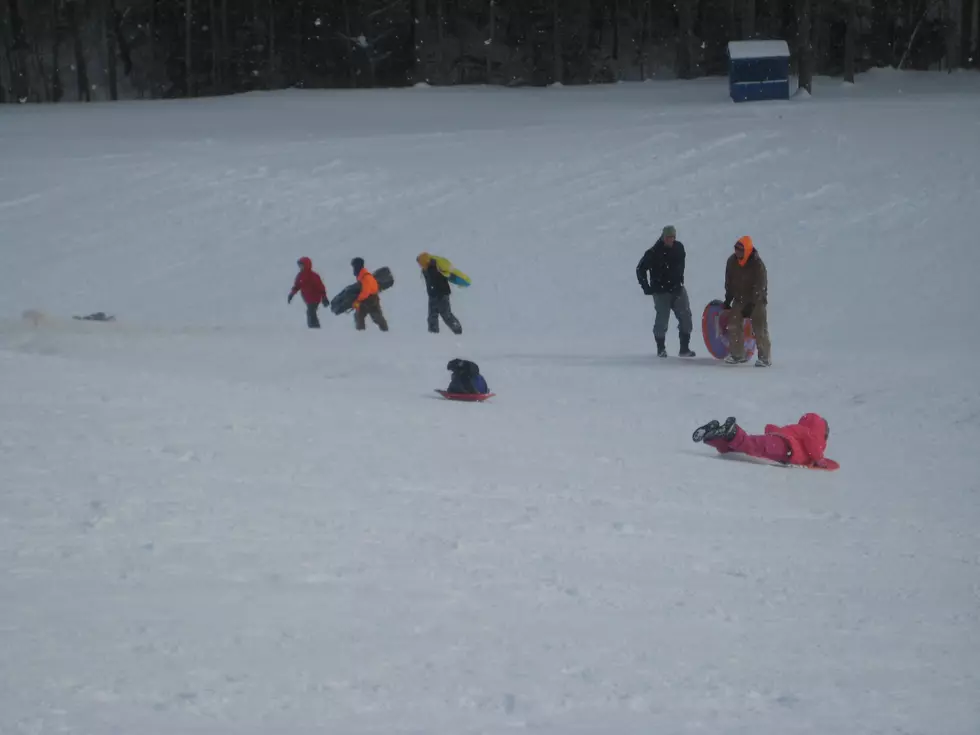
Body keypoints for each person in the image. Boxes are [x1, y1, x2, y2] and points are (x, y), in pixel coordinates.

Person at [636, 225, 695, 358]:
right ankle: (661, 348)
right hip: (661, 292)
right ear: (663, 237)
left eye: (673, 237)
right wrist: (647, 288)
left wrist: (679, 280)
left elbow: (681, 265)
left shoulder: (679, 248)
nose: (671, 240)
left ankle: (684, 349)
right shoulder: (653, 252)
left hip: (678, 289)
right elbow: (640, 269)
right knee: (662, 320)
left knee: (686, 317)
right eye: (668, 237)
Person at [692, 413, 833, 468]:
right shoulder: (809, 434)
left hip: (776, 441)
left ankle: (714, 436)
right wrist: (820, 460)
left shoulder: (796, 429)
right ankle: (732, 432)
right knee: (750, 446)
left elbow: (773, 429)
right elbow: (812, 445)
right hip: (784, 448)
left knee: (738, 450)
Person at [723, 236, 770, 366]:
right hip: (740, 298)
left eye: (740, 249)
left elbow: (761, 285)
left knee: (759, 326)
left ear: (747, 250)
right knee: (733, 322)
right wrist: (728, 299)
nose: (737, 251)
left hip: (757, 300)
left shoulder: (757, 264)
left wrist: (753, 302)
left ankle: (764, 357)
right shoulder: (731, 262)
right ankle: (738, 354)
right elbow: (729, 282)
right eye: (736, 249)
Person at [417, 252, 462, 335]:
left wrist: (440, 294)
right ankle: (433, 334)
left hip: (441, 294)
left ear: (425, 261)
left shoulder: (435, 268)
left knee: (446, 315)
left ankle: (458, 331)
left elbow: (441, 280)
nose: (420, 265)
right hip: (432, 295)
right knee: (432, 316)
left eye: (420, 263)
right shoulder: (425, 269)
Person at [287, 256, 329, 328]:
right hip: (307, 298)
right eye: (299, 266)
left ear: (306, 265)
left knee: (310, 312)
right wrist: (291, 294)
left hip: (315, 298)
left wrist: (324, 297)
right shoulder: (300, 276)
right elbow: (297, 286)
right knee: (310, 312)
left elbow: (321, 287)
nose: (300, 267)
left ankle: (314, 328)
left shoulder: (314, 276)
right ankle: (314, 327)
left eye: (302, 265)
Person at [350, 257, 389, 332]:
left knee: (374, 317)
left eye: (354, 266)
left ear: (358, 266)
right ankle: (362, 334)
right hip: (369, 299)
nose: (353, 269)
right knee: (361, 316)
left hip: (370, 300)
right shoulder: (362, 276)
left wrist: (357, 301)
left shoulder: (365, 277)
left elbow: (365, 292)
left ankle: (386, 332)